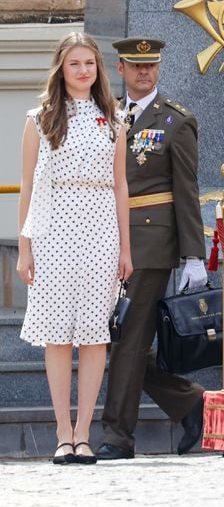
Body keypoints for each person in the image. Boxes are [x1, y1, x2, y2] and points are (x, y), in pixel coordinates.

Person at [17, 31, 132, 465]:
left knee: (94, 333)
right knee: (58, 335)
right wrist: (25, 247)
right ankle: (62, 433)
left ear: (98, 68)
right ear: (61, 69)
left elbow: (121, 186)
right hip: (52, 230)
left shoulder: (115, 119)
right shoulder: (39, 118)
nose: (83, 70)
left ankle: (85, 432)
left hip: (101, 229)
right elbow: (27, 187)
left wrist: (125, 247)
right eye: (74, 64)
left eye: (89, 63)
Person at [96, 37, 208, 460]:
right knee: (108, 341)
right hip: (103, 240)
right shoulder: (105, 117)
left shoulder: (176, 121)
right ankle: (189, 401)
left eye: (152, 66)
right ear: (120, 68)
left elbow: (186, 189)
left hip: (150, 241)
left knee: (127, 340)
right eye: (136, 66)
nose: (145, 72)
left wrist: (193, 254)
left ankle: (117, 437)